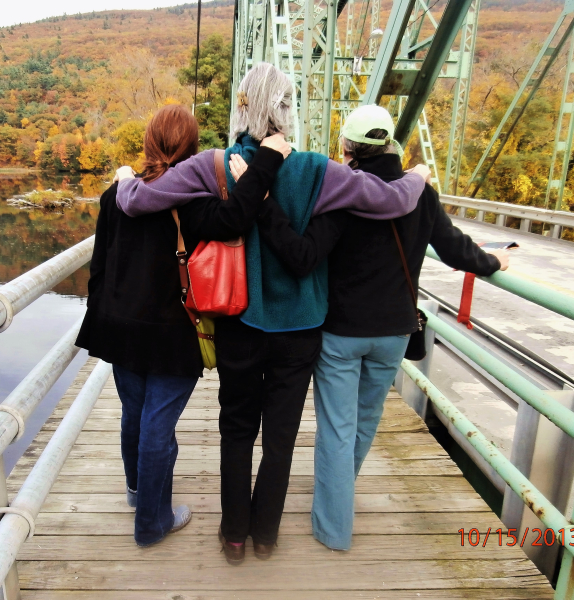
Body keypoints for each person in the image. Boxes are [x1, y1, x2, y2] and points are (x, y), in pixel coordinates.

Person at [114, 63, 432, 564]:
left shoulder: (213, 165)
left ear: (243, 105)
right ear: (289, 108)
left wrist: (125, 180)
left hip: (239, 321)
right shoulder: (321, 171)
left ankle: (233, 537)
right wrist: (417, 178)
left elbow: (138, 201)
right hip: (302, 328)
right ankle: (266, 535)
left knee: (237, 431)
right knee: (281, 436)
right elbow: (393, 200)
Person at [250, 103, 510, 551]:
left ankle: (333, 527)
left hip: (341, 331)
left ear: (348, 147)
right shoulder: (421, 193)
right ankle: (338, 495)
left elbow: (308, 252)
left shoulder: (343, 193)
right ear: (391, 143)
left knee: (336, 426)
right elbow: (454, 250)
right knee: (365, 423)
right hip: (394, 331)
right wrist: (493, 260)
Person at [75, 104, 291, 547]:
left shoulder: (118, 193)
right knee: (158, 427)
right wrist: (268, 160)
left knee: (134, 415)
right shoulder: (192, 202)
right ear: (192, 148)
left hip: (119, 328)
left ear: (149, 142)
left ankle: (139, 494)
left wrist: (103, 317)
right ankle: (153, 523)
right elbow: (238, 218)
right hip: (174, 333)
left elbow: (100, 267)